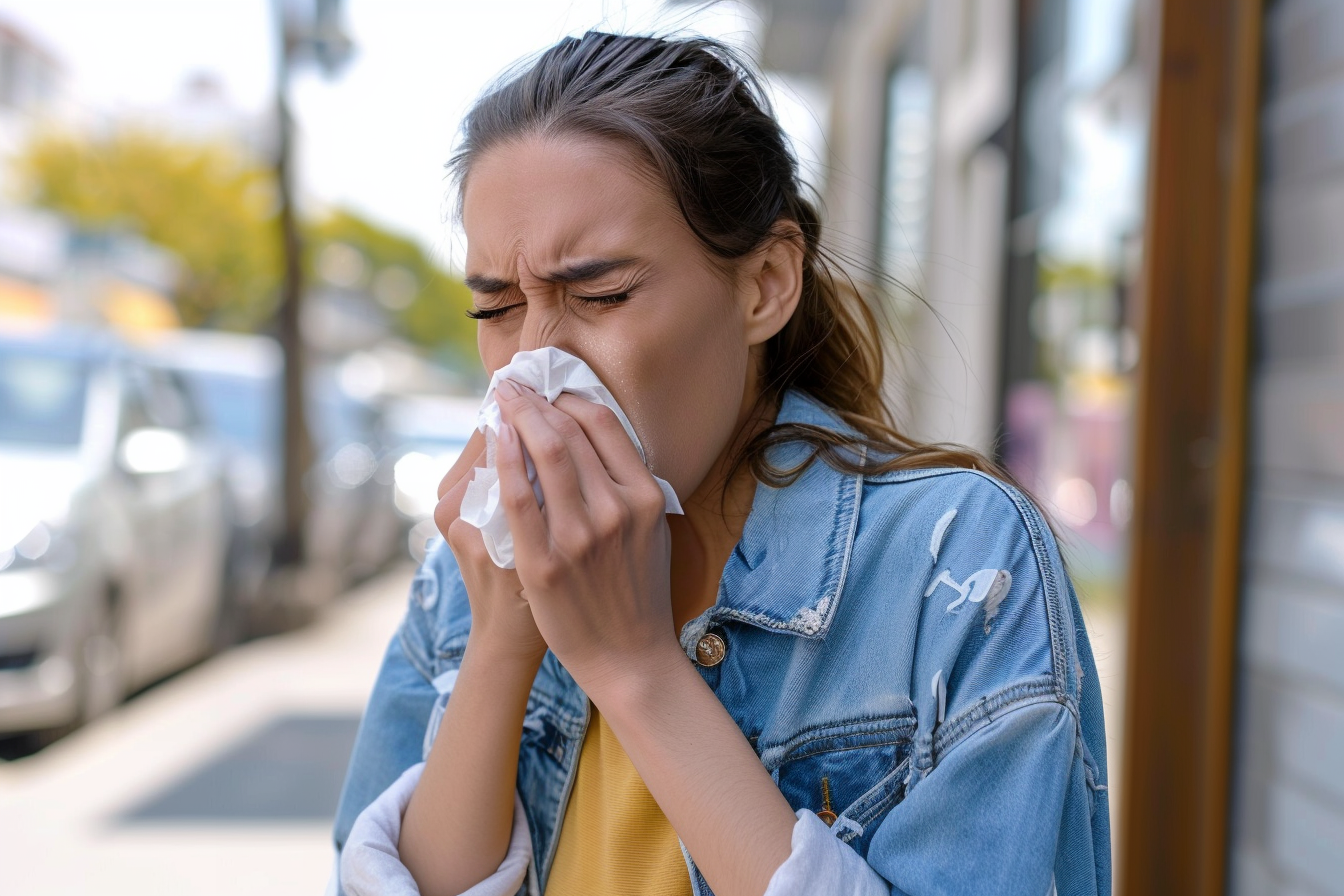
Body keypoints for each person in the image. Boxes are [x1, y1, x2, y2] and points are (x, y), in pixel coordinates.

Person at [330, 30, 1110, 896]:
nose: (539, 361)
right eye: (498, 308)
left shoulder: (953, 568)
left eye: (602, 296)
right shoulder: (465, 573)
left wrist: (633, 665)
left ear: (765, 285)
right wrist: (503, 641)